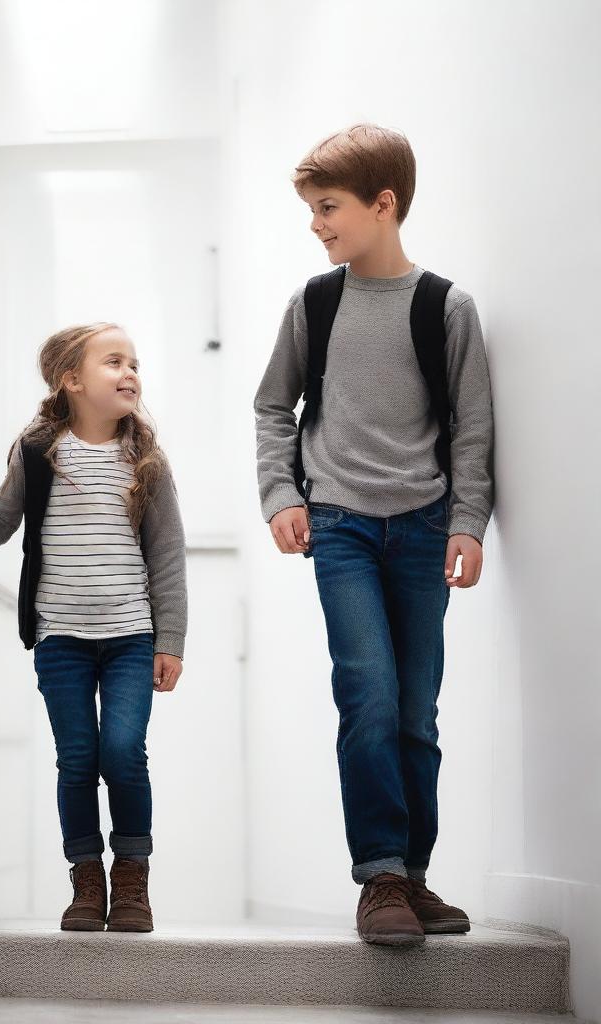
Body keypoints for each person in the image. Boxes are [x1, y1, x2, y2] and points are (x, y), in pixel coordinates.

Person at [253, 124, 494, 946]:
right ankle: (380, 876)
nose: (316, 225)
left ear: (383, 204)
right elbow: (270, 407)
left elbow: (471, 429)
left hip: (425, 531)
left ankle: (415, 877)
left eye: (328, 208)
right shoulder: (313, 304)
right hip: (342, 529)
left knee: (417, 712)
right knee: (369, 694)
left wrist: (468, 521)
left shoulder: (445, 307)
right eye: (313, 210)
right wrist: (282, 493)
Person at [0, 322, 187, 933]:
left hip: (130, 639)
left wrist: (171, 641)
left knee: (123, 751)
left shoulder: (147, 462)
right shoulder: (38, 454)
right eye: (114, 361)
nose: (130, 372)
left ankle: (131, 879)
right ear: (71, 380)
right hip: (61, 639)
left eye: (135, 362)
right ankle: (86, 881)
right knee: (78, 757)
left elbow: (167, 556)